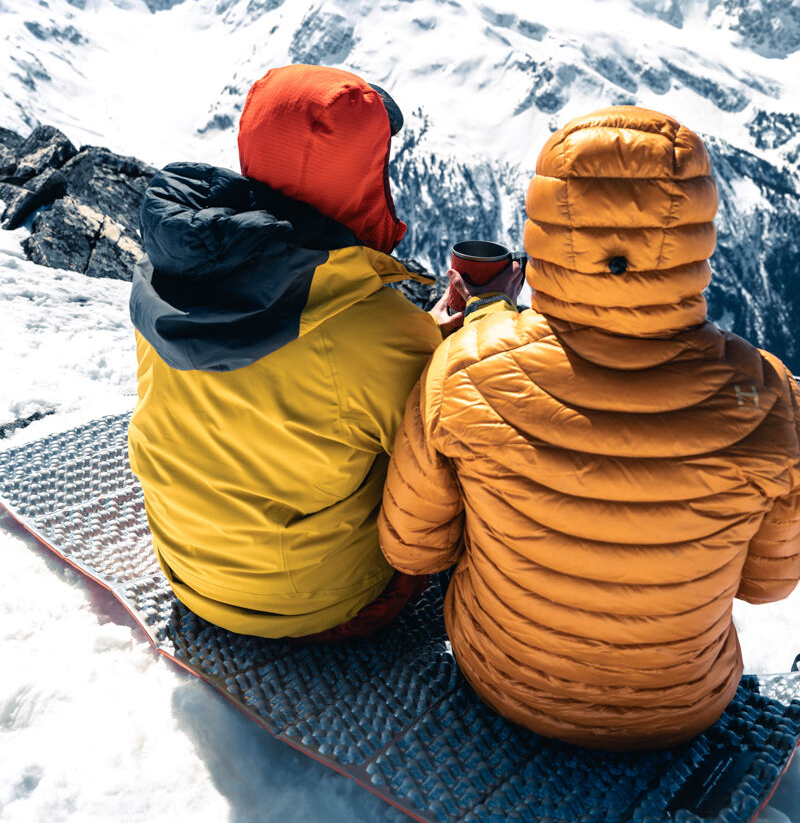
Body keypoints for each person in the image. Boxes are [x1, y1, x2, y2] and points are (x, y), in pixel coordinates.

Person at [379, 105, 800, 750]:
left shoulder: (466, 367)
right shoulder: (767, 399)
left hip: (500, 679)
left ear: (547, 226)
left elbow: (413, 548)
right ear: (696, 230)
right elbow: (768, 584)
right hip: (683, 707)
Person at [128, 65, 456, 640]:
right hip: (315, 606)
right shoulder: (382, 332)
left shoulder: (168, 276)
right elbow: (440, 474)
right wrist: (464, 343)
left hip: (185, 570)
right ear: (362, 181)